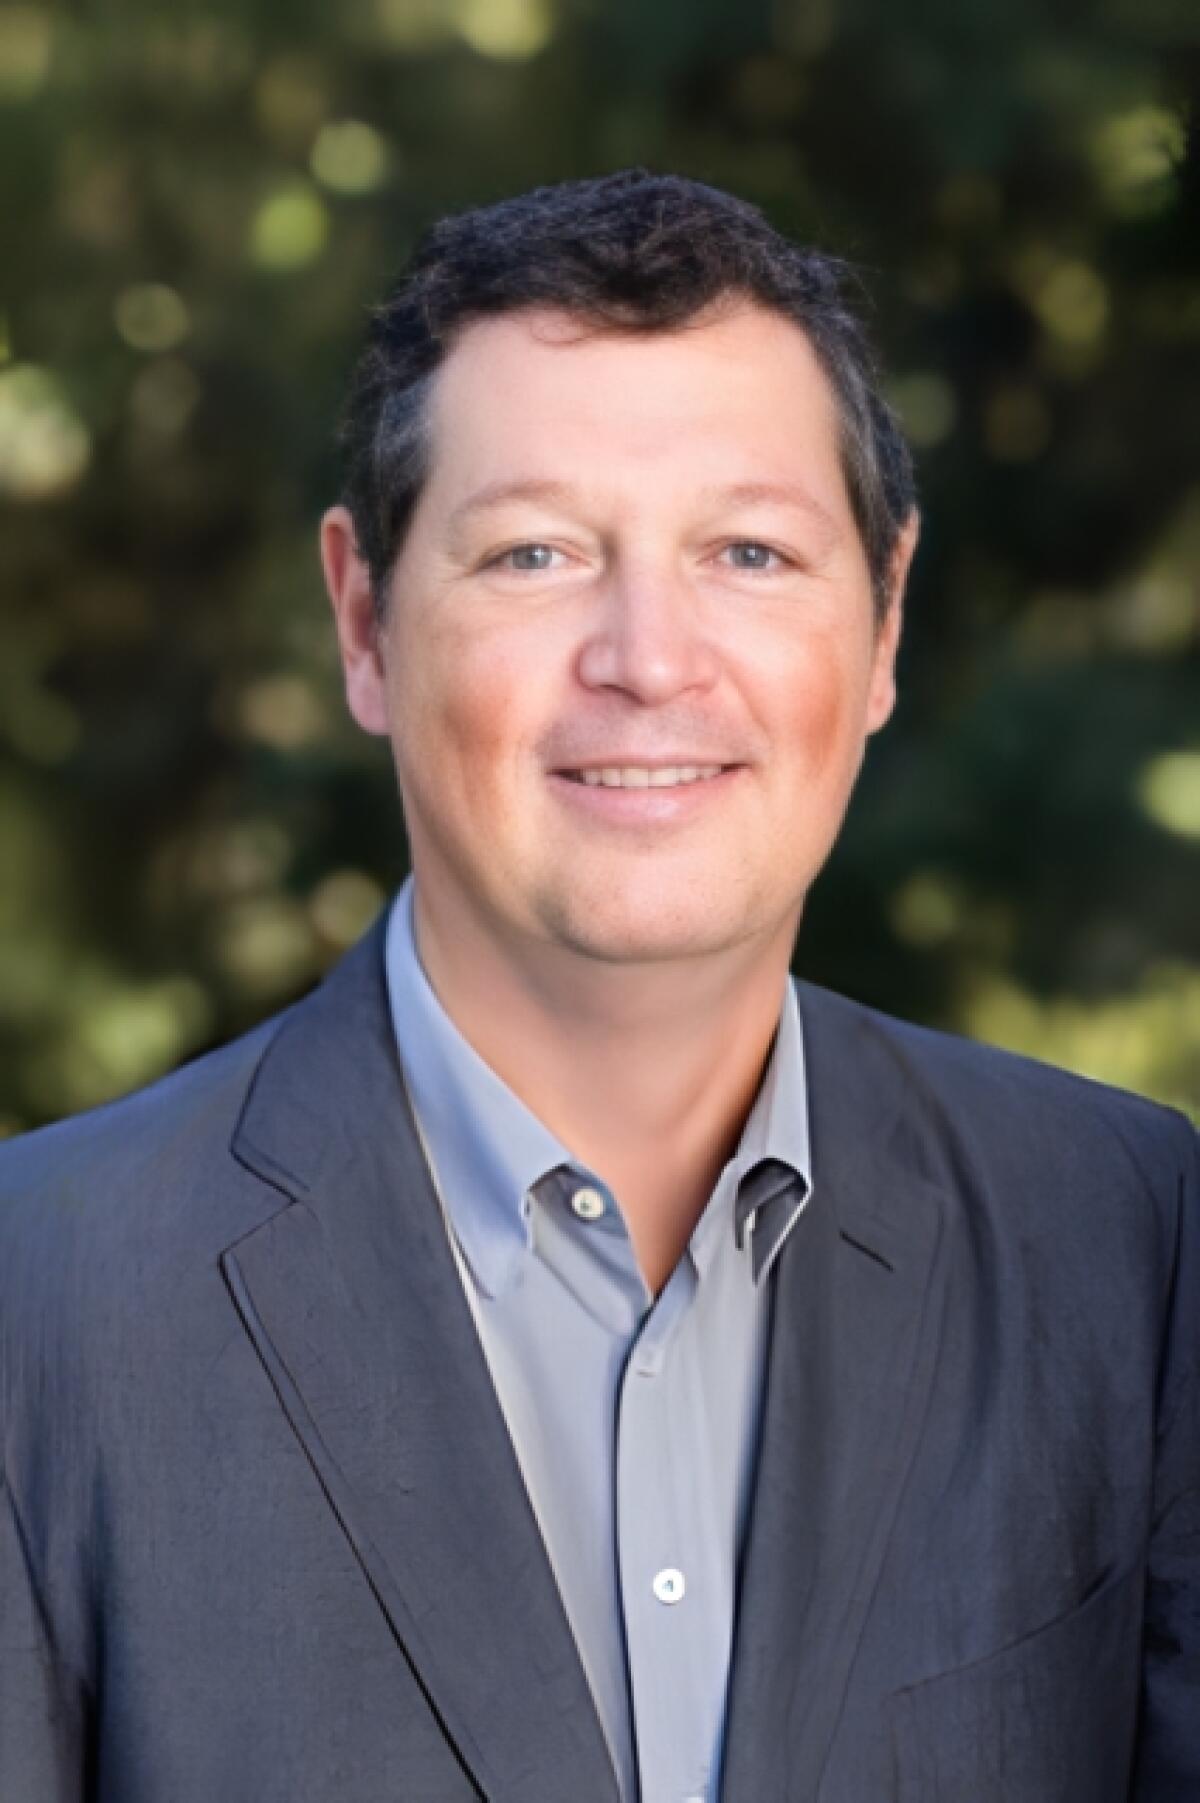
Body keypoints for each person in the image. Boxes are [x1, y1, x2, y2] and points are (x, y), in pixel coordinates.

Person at [0, 170, 1195, 1803]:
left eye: (751, 552)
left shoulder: (1134, 1244)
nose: (648, 654)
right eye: (537, 553)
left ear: (886, 621)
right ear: (365, 620)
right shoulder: (43, 1309)